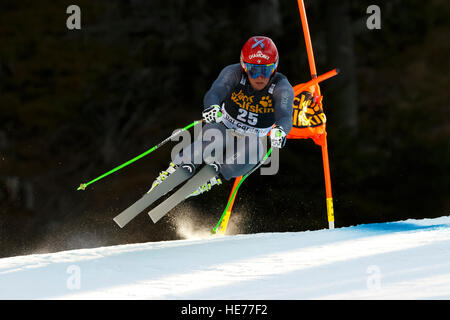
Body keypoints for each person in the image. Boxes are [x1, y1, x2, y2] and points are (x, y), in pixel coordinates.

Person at [149, 36, 294, 197]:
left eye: (265, 70)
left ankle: (211, 176)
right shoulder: (234, 72)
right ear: (244, 65)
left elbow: (285, 114)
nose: (259, 77)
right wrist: (212, 107)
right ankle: (175, 170)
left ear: (275, 67)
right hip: (224, 126)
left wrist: (280, 130)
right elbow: (216, 91)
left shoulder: (281, 86)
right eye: (253, 70)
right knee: (214, 138)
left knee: (255, 149)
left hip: (251, 138)